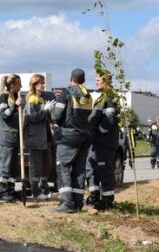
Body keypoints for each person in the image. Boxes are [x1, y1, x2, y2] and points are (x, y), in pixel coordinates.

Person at [50, 68, 94, 213]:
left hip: (67, 136)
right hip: (84, 136)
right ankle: (77, 203)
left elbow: (56, 116)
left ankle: (67, 203)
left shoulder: (66, 93)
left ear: (71, 79)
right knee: (79, 170)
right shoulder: (88, 96)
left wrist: (50, 110)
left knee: (63, 168)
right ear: (83, 80)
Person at [86, 72, 120, 210]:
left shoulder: (109, 96)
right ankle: (94, 197)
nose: (96, 82)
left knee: (104, 169)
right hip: (99, 140)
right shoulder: (104, 95)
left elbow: (109, 120)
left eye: (99, 80)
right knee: (91, 166)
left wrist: (98, 130)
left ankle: (106, 201)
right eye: (95, 80)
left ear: (105, 81)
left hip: (104, 141)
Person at [23, 74, 56, 201]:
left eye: (43, 83)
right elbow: (32, 118)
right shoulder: (32, 99)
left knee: (46, 164)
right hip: (35, 137)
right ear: (34, 85)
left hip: (45, 136)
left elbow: (46, 118)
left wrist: (50, 115)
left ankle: (45, 189)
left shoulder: (42, 98)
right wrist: (45, 111)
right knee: (36, 166)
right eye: (40, 83)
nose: (43, 85)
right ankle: (35, 192)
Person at [0, 74, 23, 203]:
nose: (21, 86)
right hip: (6, 137)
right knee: (4, 166)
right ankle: (1, 192)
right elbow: (4, 115)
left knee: (13, 167)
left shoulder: (15, 96)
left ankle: (10, 191)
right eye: (19, 84)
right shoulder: (4, 96)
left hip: (15, 137)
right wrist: (14, 106)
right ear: (12, 85)